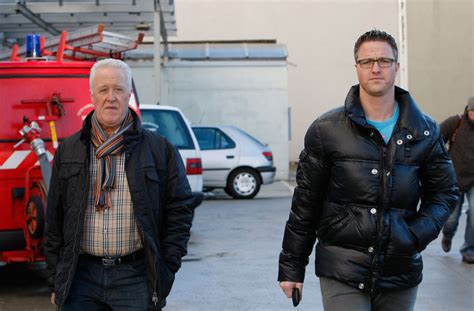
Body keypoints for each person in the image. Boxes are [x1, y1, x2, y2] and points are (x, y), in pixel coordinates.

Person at [278, 29, 459, 311]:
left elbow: (445, 193)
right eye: (367, 61)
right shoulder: (327, 130)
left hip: (400, 269)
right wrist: (292, 266)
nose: (376, 68)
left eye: (384, 61)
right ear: (357, 68)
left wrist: (414, 235)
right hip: (342, 266)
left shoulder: (424, 130)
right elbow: (306, 202)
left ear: (397, 67)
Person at [44, 58, 194, 310]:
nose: (111, 97)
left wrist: (167, 266)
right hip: (80, 278)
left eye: (119, 89)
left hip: (136, 278)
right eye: (103, 90)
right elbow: (54, 220)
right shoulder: (69, 150)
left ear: (129, 95)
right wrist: (55, 279)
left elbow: (180, 208)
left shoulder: (159, 149)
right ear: (92, 95)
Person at [440, 97, 474, 263]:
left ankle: (469, 249)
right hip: (454, 178)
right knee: (451, 219)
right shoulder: (456, 123)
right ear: (468, 110)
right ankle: (447, 235)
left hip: (473, 180)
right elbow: (435, 141)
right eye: (473, 112)